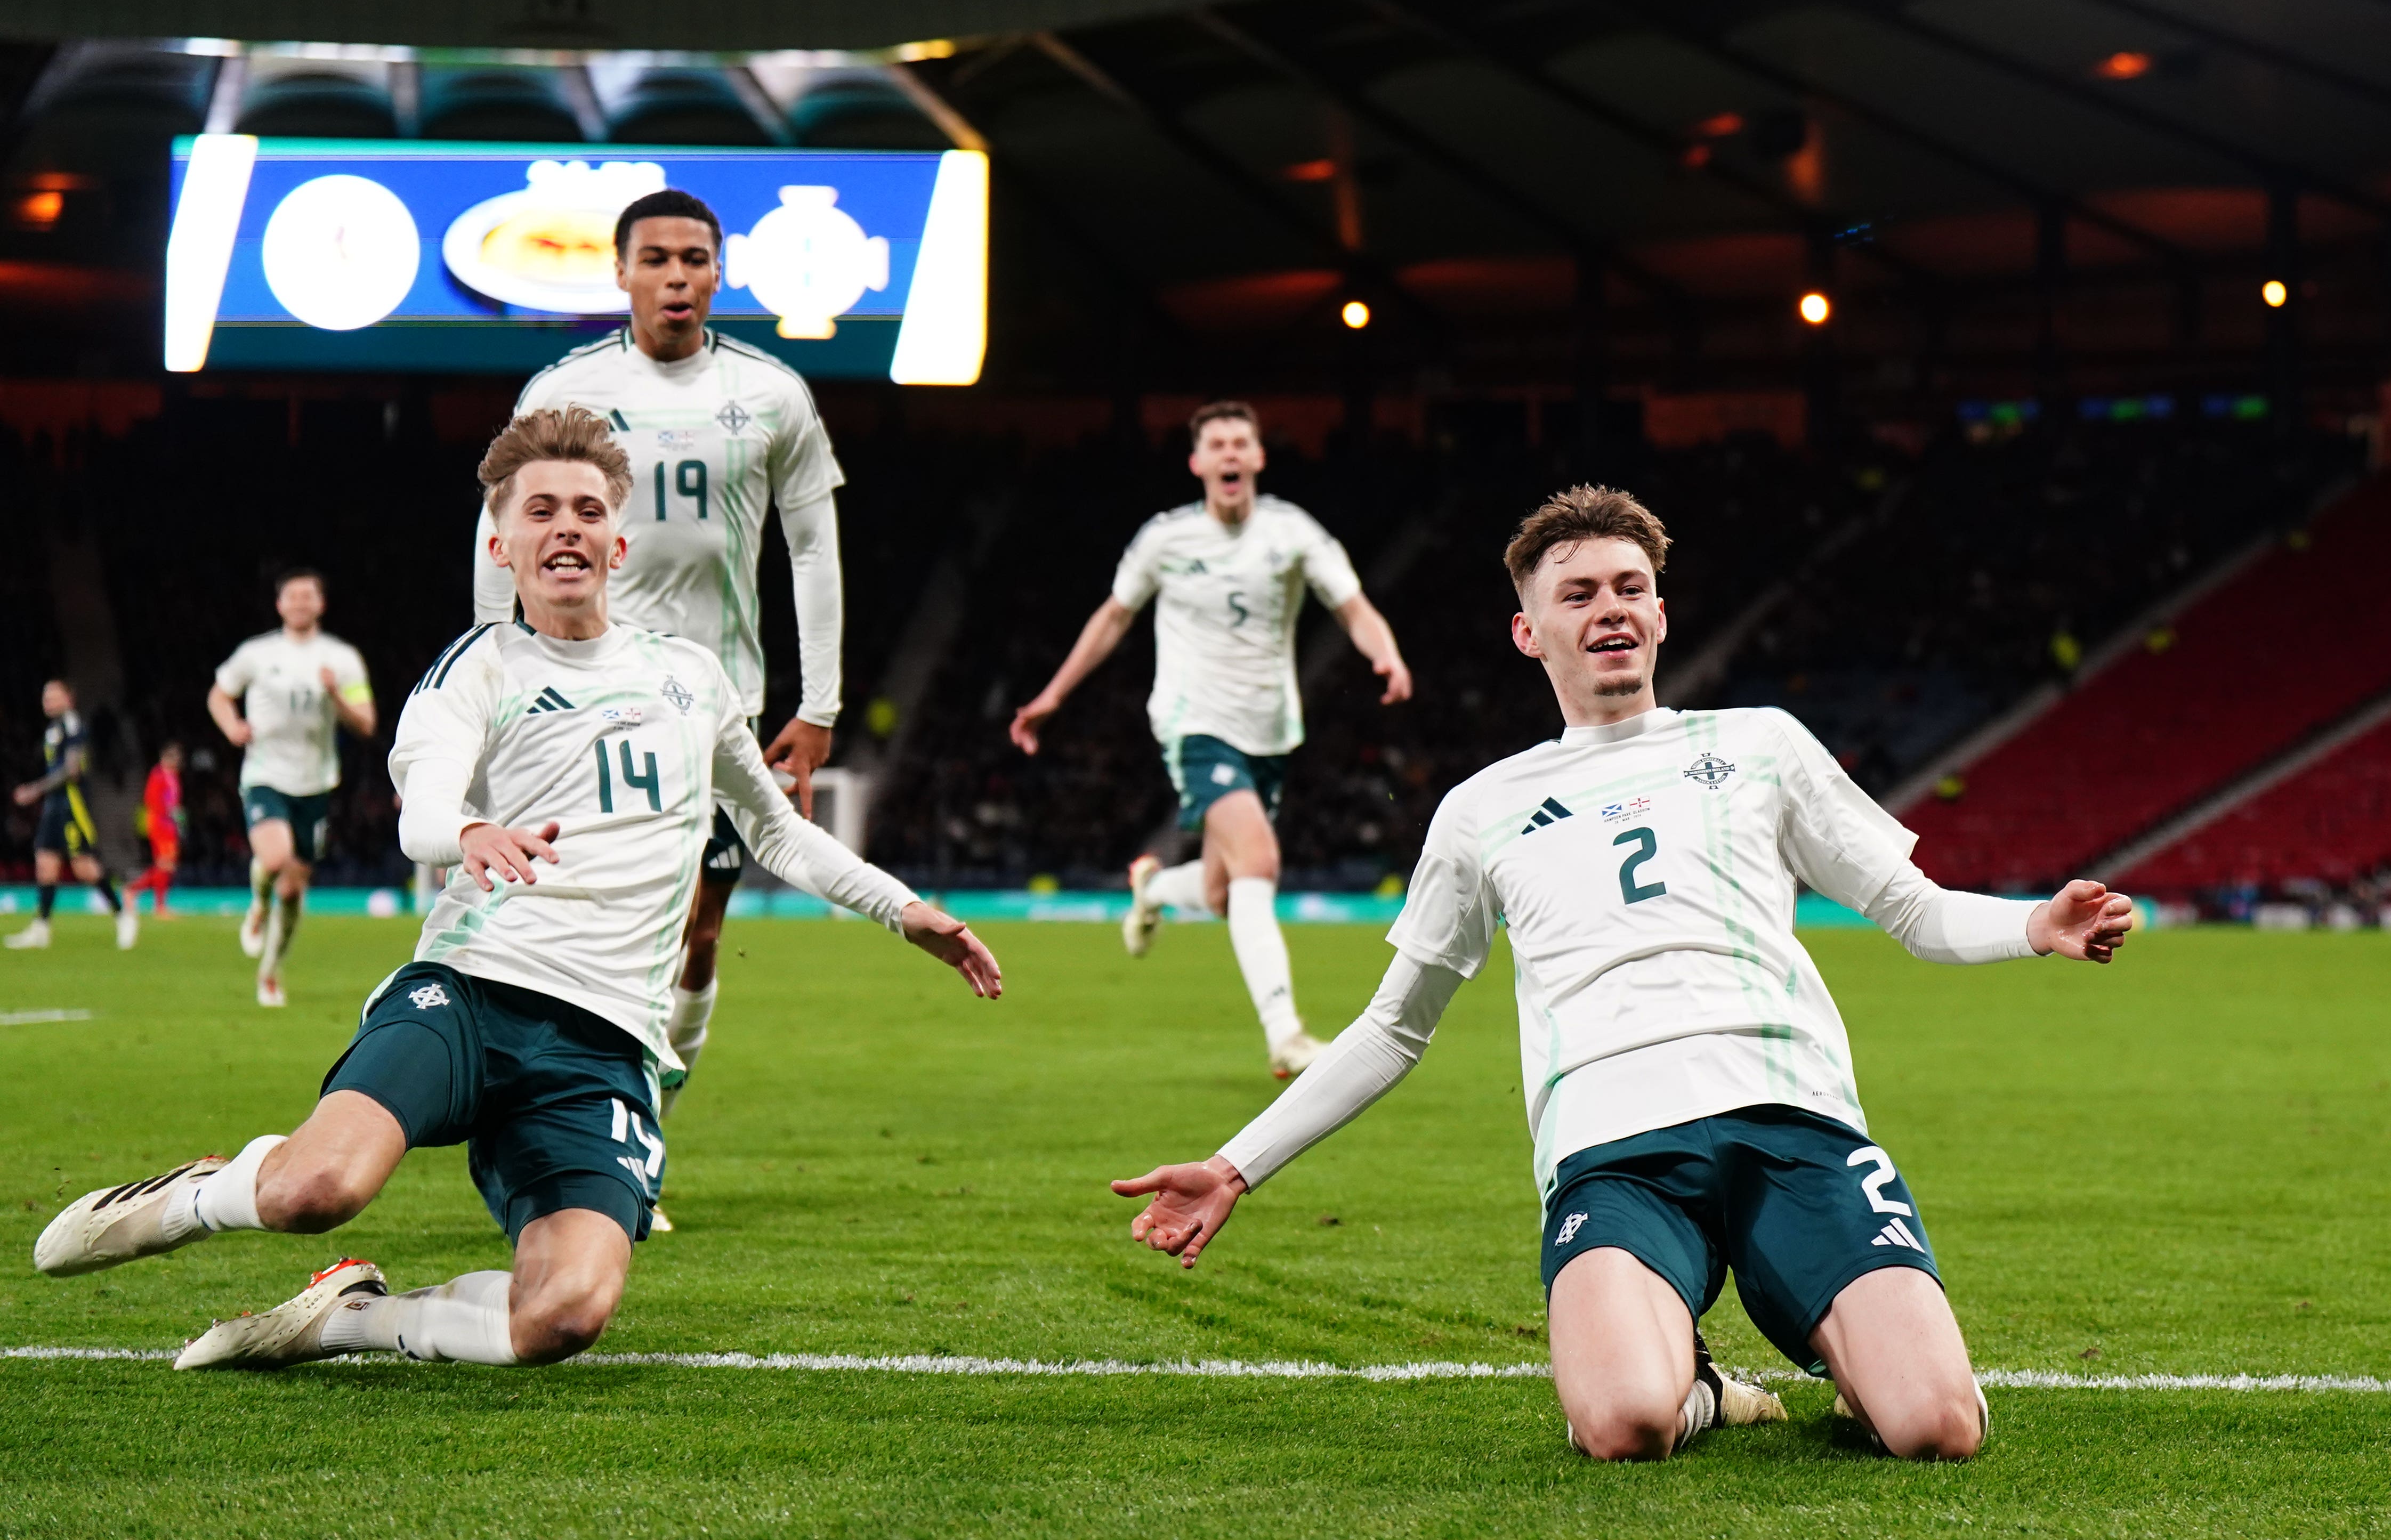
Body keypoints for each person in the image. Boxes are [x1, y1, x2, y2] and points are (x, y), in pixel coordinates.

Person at [1113, 485, 2136, 1461]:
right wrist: (1237, 1164)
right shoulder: (1481, 809)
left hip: (1793, 1121)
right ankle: (1695, 1387)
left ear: (1658, 614)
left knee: (1938, 1428)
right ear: (1529, 633)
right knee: (1623, 1425)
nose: (1610, 609)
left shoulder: (1759, 746)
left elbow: (1912, 910)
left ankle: (1873, 1367)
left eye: (1629, 588)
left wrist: (2033, 926)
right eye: (1579, 593)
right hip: (1612, 1149)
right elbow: (1394, 1028)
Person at [34, 408, 1001, 1374]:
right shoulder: (478, 666)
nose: (566, 526)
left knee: (565, 1316)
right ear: (502, 545)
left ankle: (347, 1318)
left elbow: (776, 829)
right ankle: (197, 1194)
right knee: (315, 1189)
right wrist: (466, 831)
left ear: (620, 543)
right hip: (470, 992)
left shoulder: (691, 678)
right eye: (540, 510)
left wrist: (903, 908)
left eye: (586, 509)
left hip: (607, 1043)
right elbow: (421, 814)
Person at [474, 188, 845, 1227]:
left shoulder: (773, 394)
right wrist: (490, 667)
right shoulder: (566, 393)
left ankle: (641, 1110)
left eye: (695, 259)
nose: (677, 277)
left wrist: (819, 702)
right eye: (657, 259)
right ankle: (587, 1130)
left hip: (718, 706)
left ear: (718, 273)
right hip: (584, 695)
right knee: (590, 927)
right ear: (622, 273)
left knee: (696, 934)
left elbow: (811, 547)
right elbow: (496, 530)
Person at [1011, 402, 1412, 1079]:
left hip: (1271, 728)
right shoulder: (1165, 539)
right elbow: (1113, 617)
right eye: (1216, 444)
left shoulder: (1292, 532)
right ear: (1197, 462)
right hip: (1194, 721)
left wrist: (1388, 655)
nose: (1229, 453)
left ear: (1257, 458)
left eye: (1240, 443)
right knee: (1259, 862)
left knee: (1229, 893)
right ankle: (1286, 1034)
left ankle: (1155, 888)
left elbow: (1352, 605)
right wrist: (1052, 695)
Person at [208, 569, 375, 1007]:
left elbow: (367, 721)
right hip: (265, 774)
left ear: (321, 604)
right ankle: (258, 904)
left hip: (316, 784)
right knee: (275, 857)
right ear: (280, 604)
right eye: (292, 596)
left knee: (294, 890)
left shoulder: (341, 658)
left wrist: (335, 695)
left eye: (309, 596)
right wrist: (231, 727)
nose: (300, 602)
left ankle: (269, 972)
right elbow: (219, 694)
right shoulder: (258, 653)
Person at [5, 678, 137, 951]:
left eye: (54, 697)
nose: (48, 702)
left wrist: (35, 790)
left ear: (69, 699)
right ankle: (41, 928)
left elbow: (72, 770)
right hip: (55, 805)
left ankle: (123, 914)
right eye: (46, 697)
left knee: (83, 867)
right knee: (45, 863)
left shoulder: (73, 725)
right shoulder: (54, 729)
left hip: (72, 805)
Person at [133, 741, 185, 917]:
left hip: (169, 826)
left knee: (167, 866)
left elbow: (173, 802)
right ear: (166, 758)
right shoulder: (158, 775)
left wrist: (178, 816)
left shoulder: (173, 776)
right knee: (165, 864)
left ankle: (139, 893)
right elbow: (151, 801)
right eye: (175, 759)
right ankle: (155, 903)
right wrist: (170, 813)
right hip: (159, 825)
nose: (177, 764)